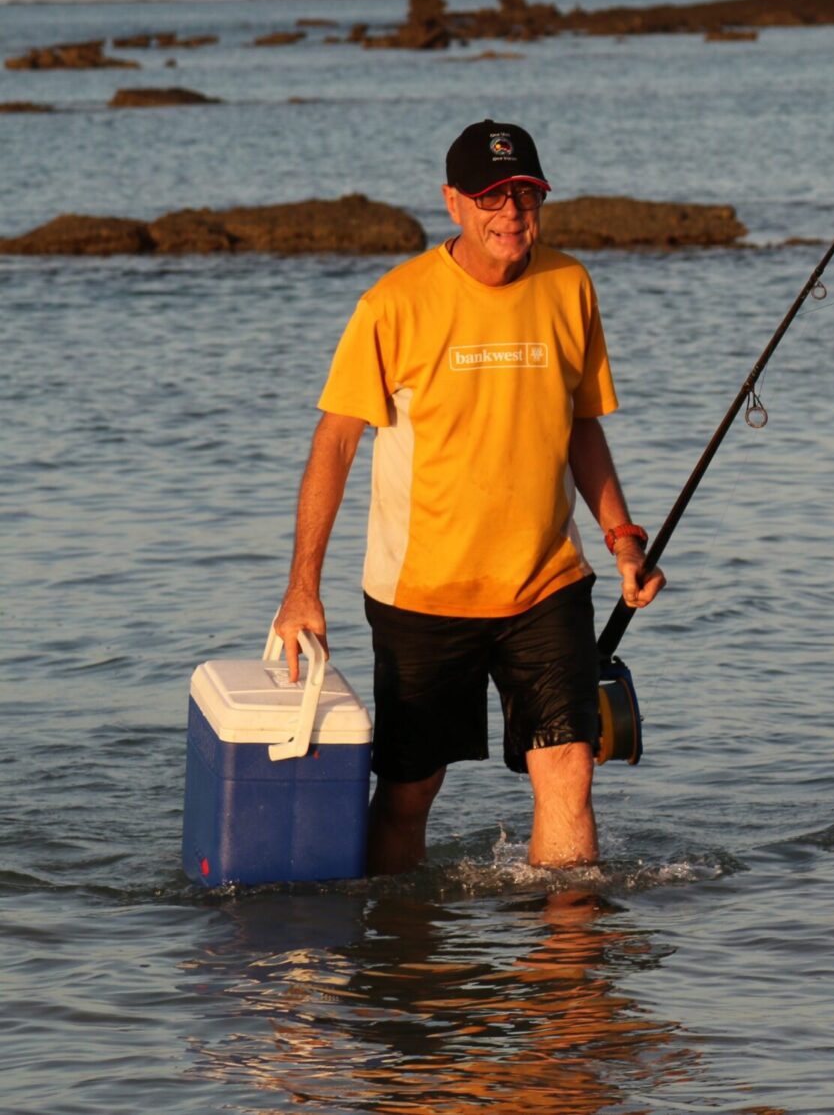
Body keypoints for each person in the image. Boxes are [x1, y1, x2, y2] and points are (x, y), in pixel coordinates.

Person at [273, 119, 663, 874]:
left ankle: (567, 977)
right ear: (453, 202)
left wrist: (622, 539)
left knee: (569, 775)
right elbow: (334, 444)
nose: (509, 212)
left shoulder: (569, 284)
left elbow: (580, 426)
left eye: (523, 193)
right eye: (489, 196)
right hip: (424, 595)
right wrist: (300, 591)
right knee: (412, 791)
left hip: (547, 583)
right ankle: (403, 960)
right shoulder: (395, 304)